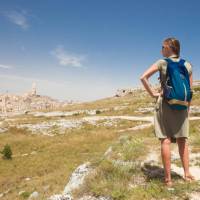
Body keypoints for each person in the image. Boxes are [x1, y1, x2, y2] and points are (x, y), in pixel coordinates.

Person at [140, 37, 195, 186]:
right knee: (183, 140)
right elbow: (190, 91)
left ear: (170, 48)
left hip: (165, 104)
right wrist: (187, 110)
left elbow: (143, 77)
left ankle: (168, 179)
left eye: (163, 47)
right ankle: (187, 174)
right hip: (182, 107)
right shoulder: (188, 65)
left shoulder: (162, 62)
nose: (161, 49)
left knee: (165, 140)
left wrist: (153, 94)